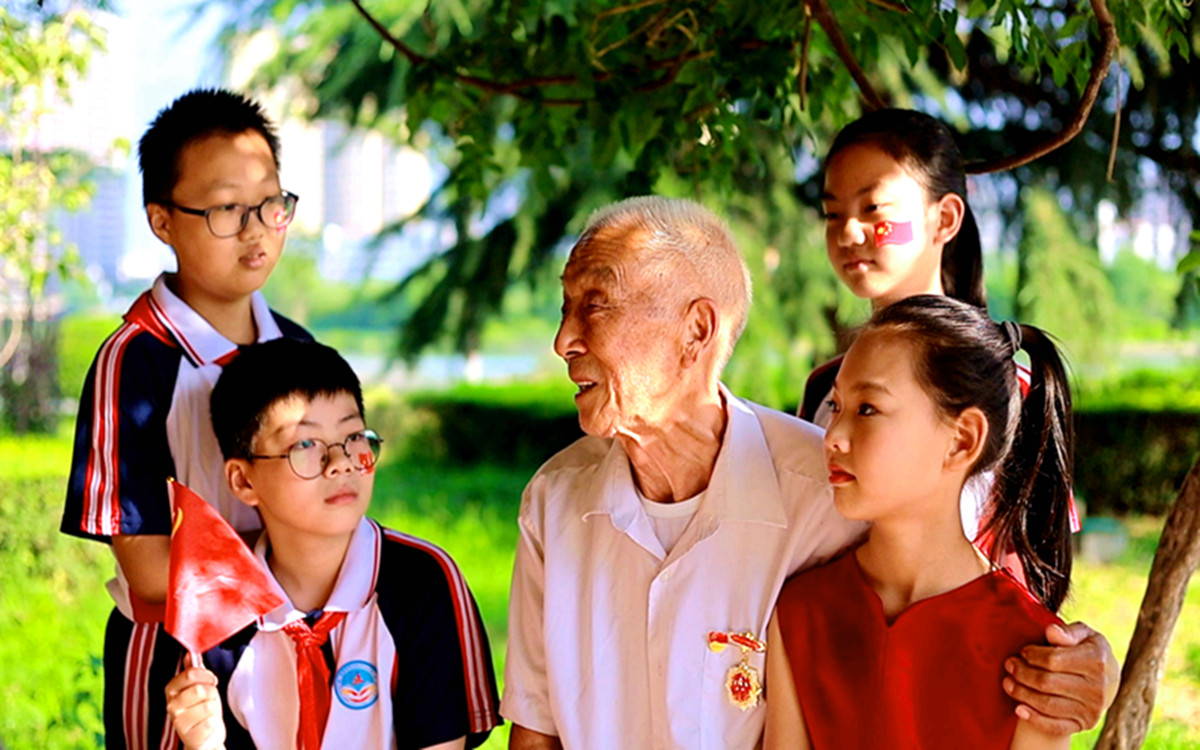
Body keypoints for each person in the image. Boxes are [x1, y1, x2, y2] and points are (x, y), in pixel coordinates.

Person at [500, 196, 1112, 750]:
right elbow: (535, 728)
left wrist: (1088, 664)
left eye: (595, 306)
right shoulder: (553, 500)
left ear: (697, 330)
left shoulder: (830, 497)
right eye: (565, 308)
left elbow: (969, 590)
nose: (563, 340)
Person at [60, 88, 308, 749]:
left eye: (271, 204)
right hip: (178, 664)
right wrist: (300, 563)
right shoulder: (133, 362)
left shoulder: (301, 352)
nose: (256, 229)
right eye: (227, 209)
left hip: (296, 646)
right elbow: (148, 569)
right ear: (162, 221)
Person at [766, 295, 1075, 749]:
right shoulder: (799, 614)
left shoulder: (1034, 655)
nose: (832, 436)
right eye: (835, 406)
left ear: (962, 440)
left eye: (867, 409)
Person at [164, 338, 501, 749]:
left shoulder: (420, 582)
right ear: (244, 480)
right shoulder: (216, 611)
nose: (341, 462)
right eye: (305, 445)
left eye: (354, 436)